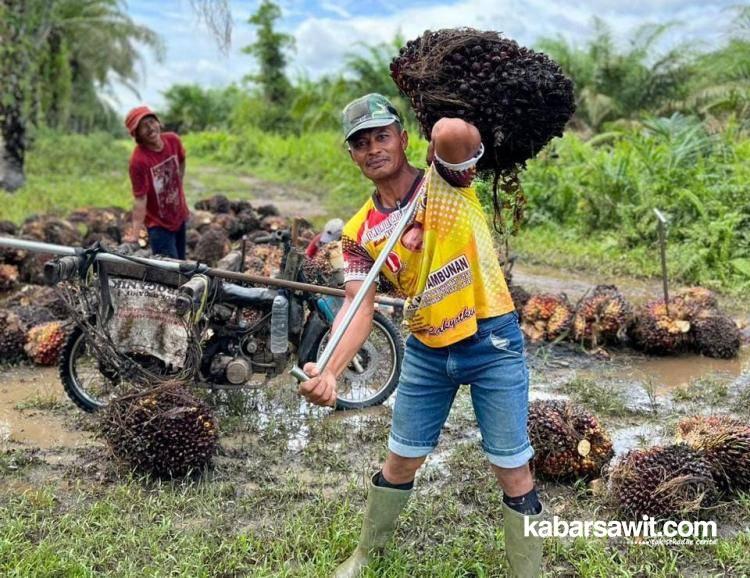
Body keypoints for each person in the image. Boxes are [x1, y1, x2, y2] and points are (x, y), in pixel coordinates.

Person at [299, 93, 544, 578]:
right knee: (401, 460)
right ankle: (366, 555)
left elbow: (456, 135)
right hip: (427, 350)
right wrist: (328, 369)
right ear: (352, 155)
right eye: (361, 143)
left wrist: (443, 123)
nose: (373, 149)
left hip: (489, 339)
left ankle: (528, 572)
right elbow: (357, 303)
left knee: (512, 468)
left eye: (382, 136)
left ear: (404, 138)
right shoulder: (357, 232)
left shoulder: (447, 180)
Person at [123, 106, 190, 259]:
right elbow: (140, 198)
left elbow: (182, 159)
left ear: (158, 122)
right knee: (169, 272)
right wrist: (135, 233)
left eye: (151, 122)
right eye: (143, 126)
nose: (150, 128)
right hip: (159, 226)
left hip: (179, 215)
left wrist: (178, 181)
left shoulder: (173, 140)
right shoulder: (138, 161)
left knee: (182, 263)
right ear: (136, 134)